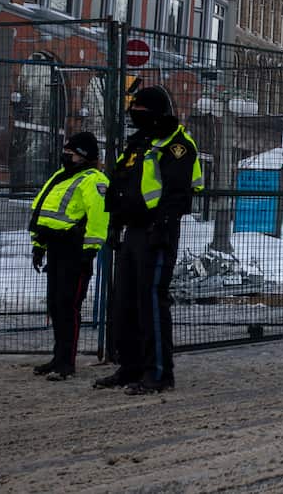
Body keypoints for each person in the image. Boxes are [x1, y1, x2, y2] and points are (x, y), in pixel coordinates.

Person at [94, 85, 202, 395]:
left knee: (151, 299)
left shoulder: (177, 145)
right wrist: (115, 223)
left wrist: (163, 225)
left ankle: (158, 372)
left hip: (158, 231)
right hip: (133, 231)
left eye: (141, 112)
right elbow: (121, 184)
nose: (135, 117)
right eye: (134, 111)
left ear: (157, 114)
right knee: (124, 299)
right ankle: (130, 366)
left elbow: (177, 191)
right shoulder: (138, 143)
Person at [27, 132, 110, 381]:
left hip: (75, 250)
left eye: (71, 152)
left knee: (67, 306)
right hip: (56, 247)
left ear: (83, 156)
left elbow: (99, 216)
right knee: (55, 304)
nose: (67, 155)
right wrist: (38, 244)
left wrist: (90, 251)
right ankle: (58, 357)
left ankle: (66, 362)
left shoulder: (93, 180)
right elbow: (44, 212)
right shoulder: (62, 176)